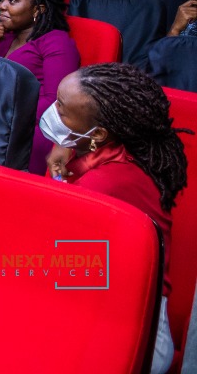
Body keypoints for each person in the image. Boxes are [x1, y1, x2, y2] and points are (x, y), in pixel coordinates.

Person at [45, 63, 189, 374]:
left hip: (134, 339)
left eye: (61, 108)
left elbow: (69, 275)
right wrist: (64, 142)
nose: (52, 112)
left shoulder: (104, 186)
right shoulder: (113, 146)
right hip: (110, 305)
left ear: (97, 133)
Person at [0, 0, 79, 176]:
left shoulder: (56, 42)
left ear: (38, 9)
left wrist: (1, 113)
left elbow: (55, 102)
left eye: (12, 1)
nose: (1, 5)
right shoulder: (1, 36)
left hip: (30, 124)